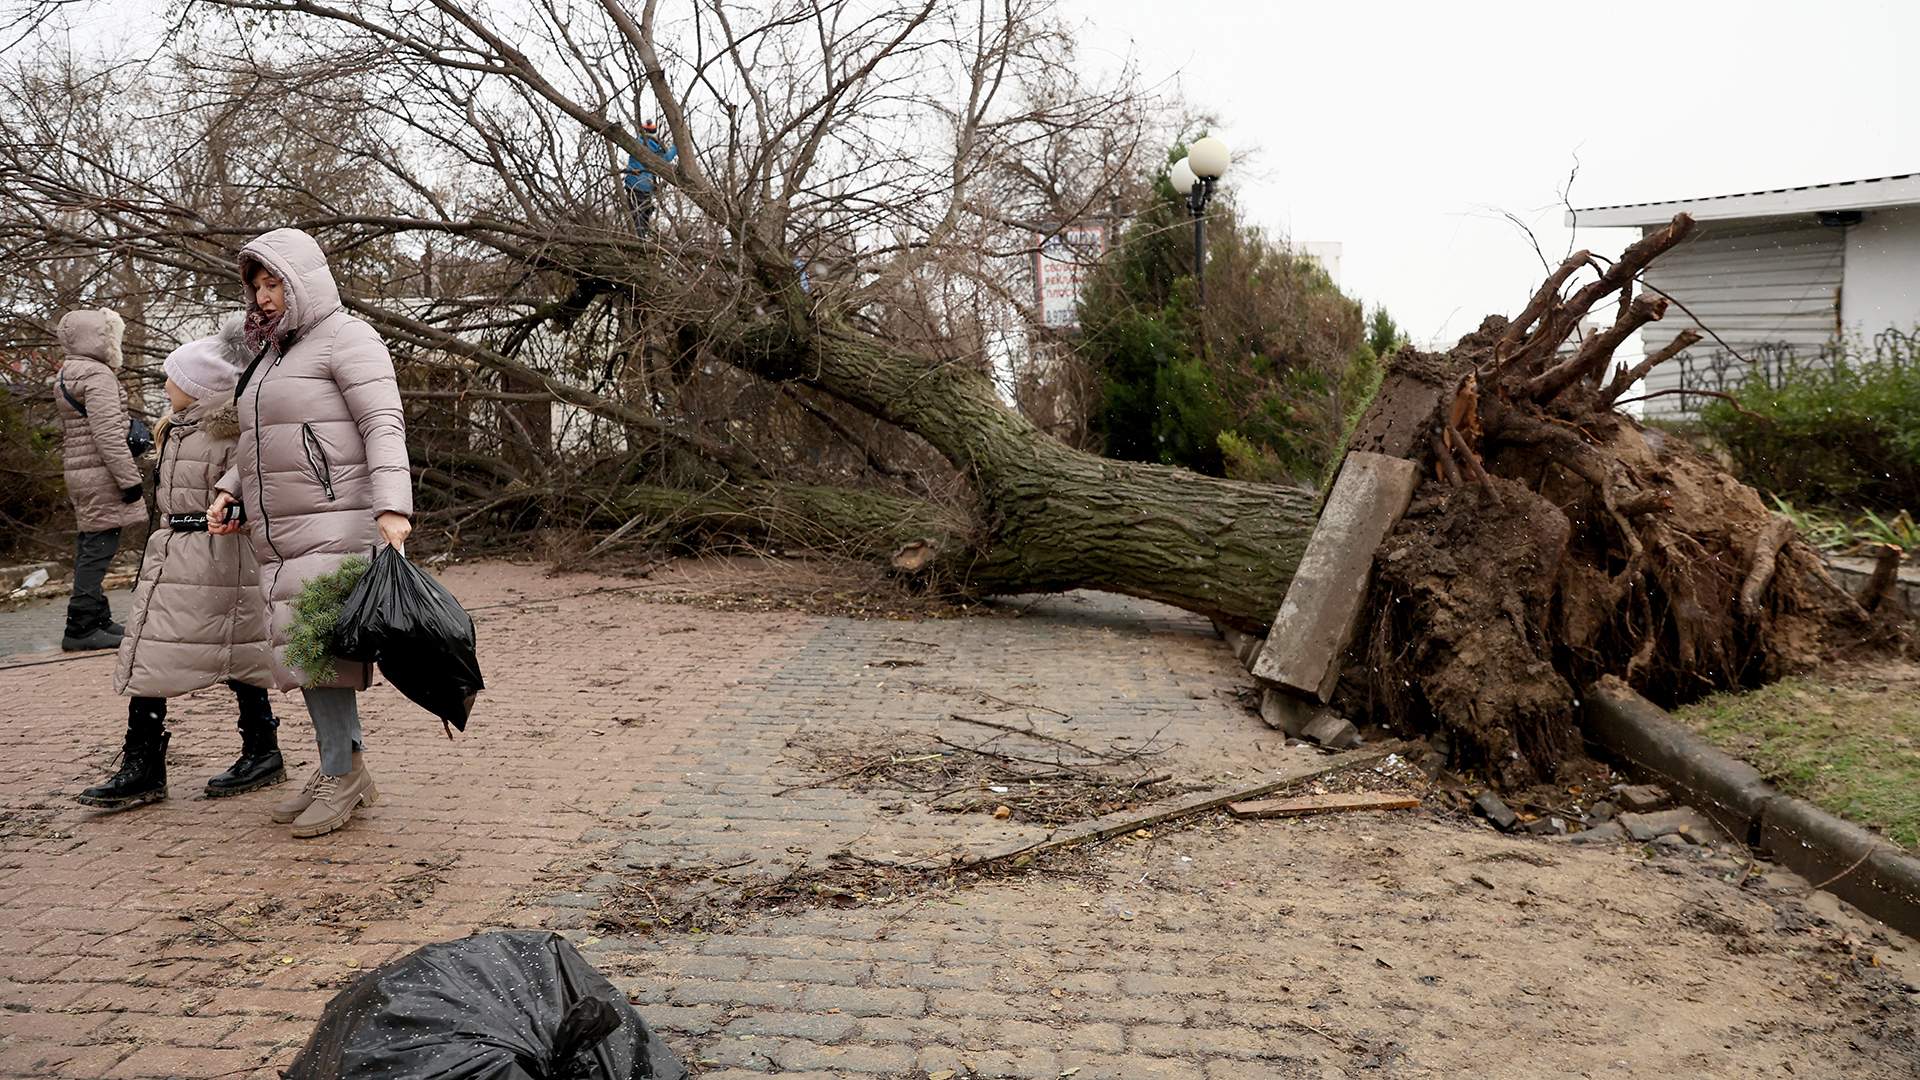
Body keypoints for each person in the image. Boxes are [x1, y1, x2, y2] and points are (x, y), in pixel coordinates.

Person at [208, 227, 413, 839]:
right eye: (257, 285)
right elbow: (262, 439)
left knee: (316, 651)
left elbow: (383, 422)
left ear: (303, 280)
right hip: (281, 529)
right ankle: (345, 770)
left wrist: (392, 506)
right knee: (308, 650)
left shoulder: (348, 338)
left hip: (335, 520)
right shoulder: (275, 352)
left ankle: (340, 775)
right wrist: (230, 487)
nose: (264, 296)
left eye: (274, 283)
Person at [77, 322, 283, 809]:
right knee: (157, 653)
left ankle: (258, 748)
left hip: (219, 555)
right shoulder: (179, 429)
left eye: (174, 376)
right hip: (176, 553)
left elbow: (257, 480)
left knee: (239, 655)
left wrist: (235, 508)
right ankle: (147, 760)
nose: (166, 383)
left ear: (198, 387)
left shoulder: (231, 435)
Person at [51, 308, 147, 652]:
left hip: (81, 473)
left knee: (90, 545)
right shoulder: (97, 375)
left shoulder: (67, 373)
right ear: (99, 339)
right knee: (98, 548)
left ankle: (96, 617)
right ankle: (81, 626)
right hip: (102, 474)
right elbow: (107, 434)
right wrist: (129, 480)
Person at [622, 120, 678, 236]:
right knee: (642, 215)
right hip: (645, 186)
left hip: (631, 183)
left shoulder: (635, 142)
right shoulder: (654, 147)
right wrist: (676, 147)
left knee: (637, 213)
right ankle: (642, 238)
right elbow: (665, 159)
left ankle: (641, 236)